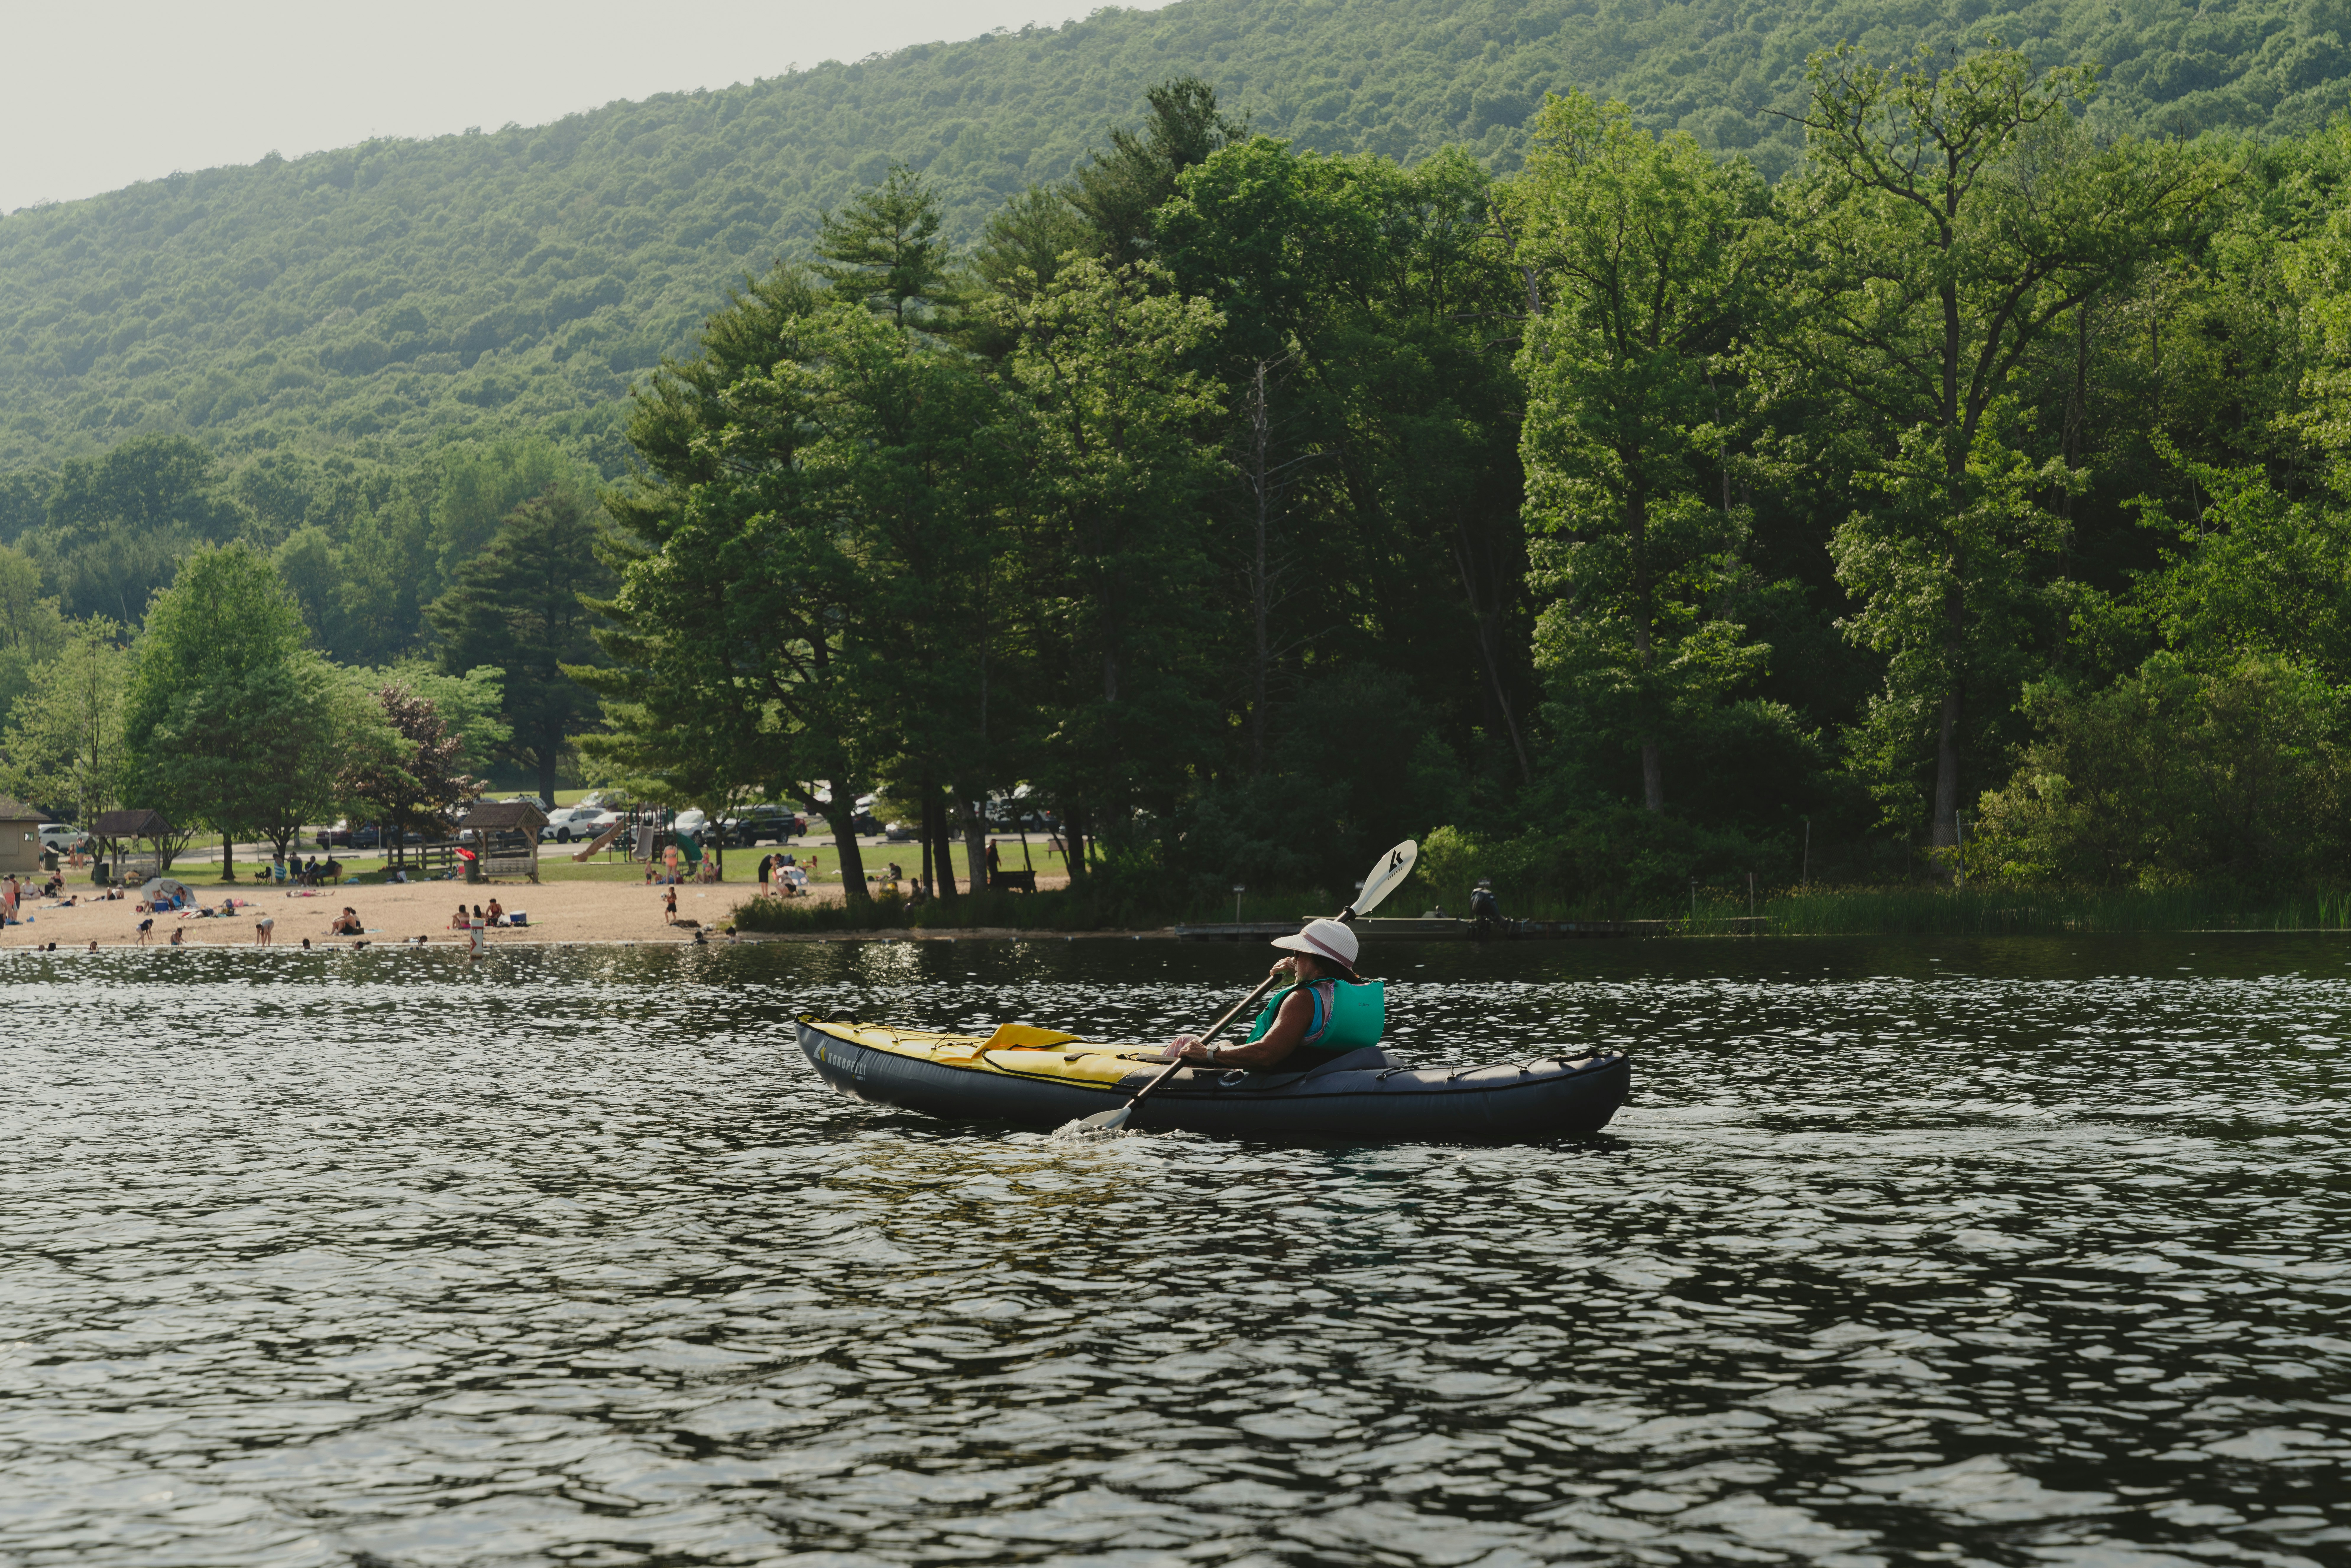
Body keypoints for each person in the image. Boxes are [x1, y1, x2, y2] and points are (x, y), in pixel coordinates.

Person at [1166, 918, 1387, 1073]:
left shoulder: (1302, 999)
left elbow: (1266, 1055)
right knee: (1221, 1043)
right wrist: (1299, 976)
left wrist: (1209, 1054)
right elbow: (1326, 992)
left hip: (1276, 1076)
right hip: (1323, 1072)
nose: (1294, 958)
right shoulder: (1356, 994)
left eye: (1299, 954)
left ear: (1320, 967)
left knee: (1187, 1041)